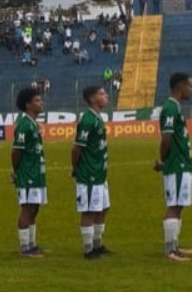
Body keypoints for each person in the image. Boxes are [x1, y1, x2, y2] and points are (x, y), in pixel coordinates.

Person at [153, 73, 192, 262]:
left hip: (182, 164)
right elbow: (166, 139)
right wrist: (162, 160)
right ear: (180, 86)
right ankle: (170, 250)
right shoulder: (170, 108)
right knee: (173, 206)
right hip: (177, 165)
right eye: (190, 86)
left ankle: (175, 246)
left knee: (179, 206)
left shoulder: (175, 108)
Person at [72, 86, 111, 259]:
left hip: (100, 173)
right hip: (89, 173)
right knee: (88, 210)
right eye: (102, 94)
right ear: (92, 98)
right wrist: (75, 168)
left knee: (103, 208)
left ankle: (97, 244)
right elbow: (76, 148)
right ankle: (88, 249)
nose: (106, 96)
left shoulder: (97, 118)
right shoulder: (87, 119)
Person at [12, 88, 46, 258]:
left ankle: (32, 244)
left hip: (37, 173)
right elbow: (16, 152)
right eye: (37, 101)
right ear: (28, 105)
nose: (41, 103)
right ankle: (24, 247)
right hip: (28, 175)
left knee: (34, 209)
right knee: (27, 209)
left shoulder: (33, 124)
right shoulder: (24, 125)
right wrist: (17, 171)